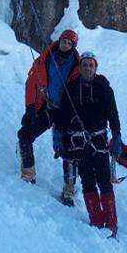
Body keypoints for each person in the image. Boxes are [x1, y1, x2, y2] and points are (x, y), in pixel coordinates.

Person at [54, 51, 123, 235]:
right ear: (80, 66)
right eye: (84, 64)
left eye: (90, 65)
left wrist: (117, 136)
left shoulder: (104, 88)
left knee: (104, 181)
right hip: (78, 142)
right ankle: (96, 221)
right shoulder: (71, 89)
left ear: (95, 67)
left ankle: (111, 223)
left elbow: (113, 115)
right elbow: (62, 117)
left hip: (98, 141)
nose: (87, 68)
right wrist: (60, 140)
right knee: (88, 182)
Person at [17, 29, 80, 203]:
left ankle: (69, 191)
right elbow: (31, 83)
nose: (65, 45)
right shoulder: (45, 58)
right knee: (25, 135)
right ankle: (28, 174)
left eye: (69, 43)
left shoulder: (77, 65)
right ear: (59, 40)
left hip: (65, 111)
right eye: (64, 41)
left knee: (68, 149)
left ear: (73, 46)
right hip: (47, 107)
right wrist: (30, 108)